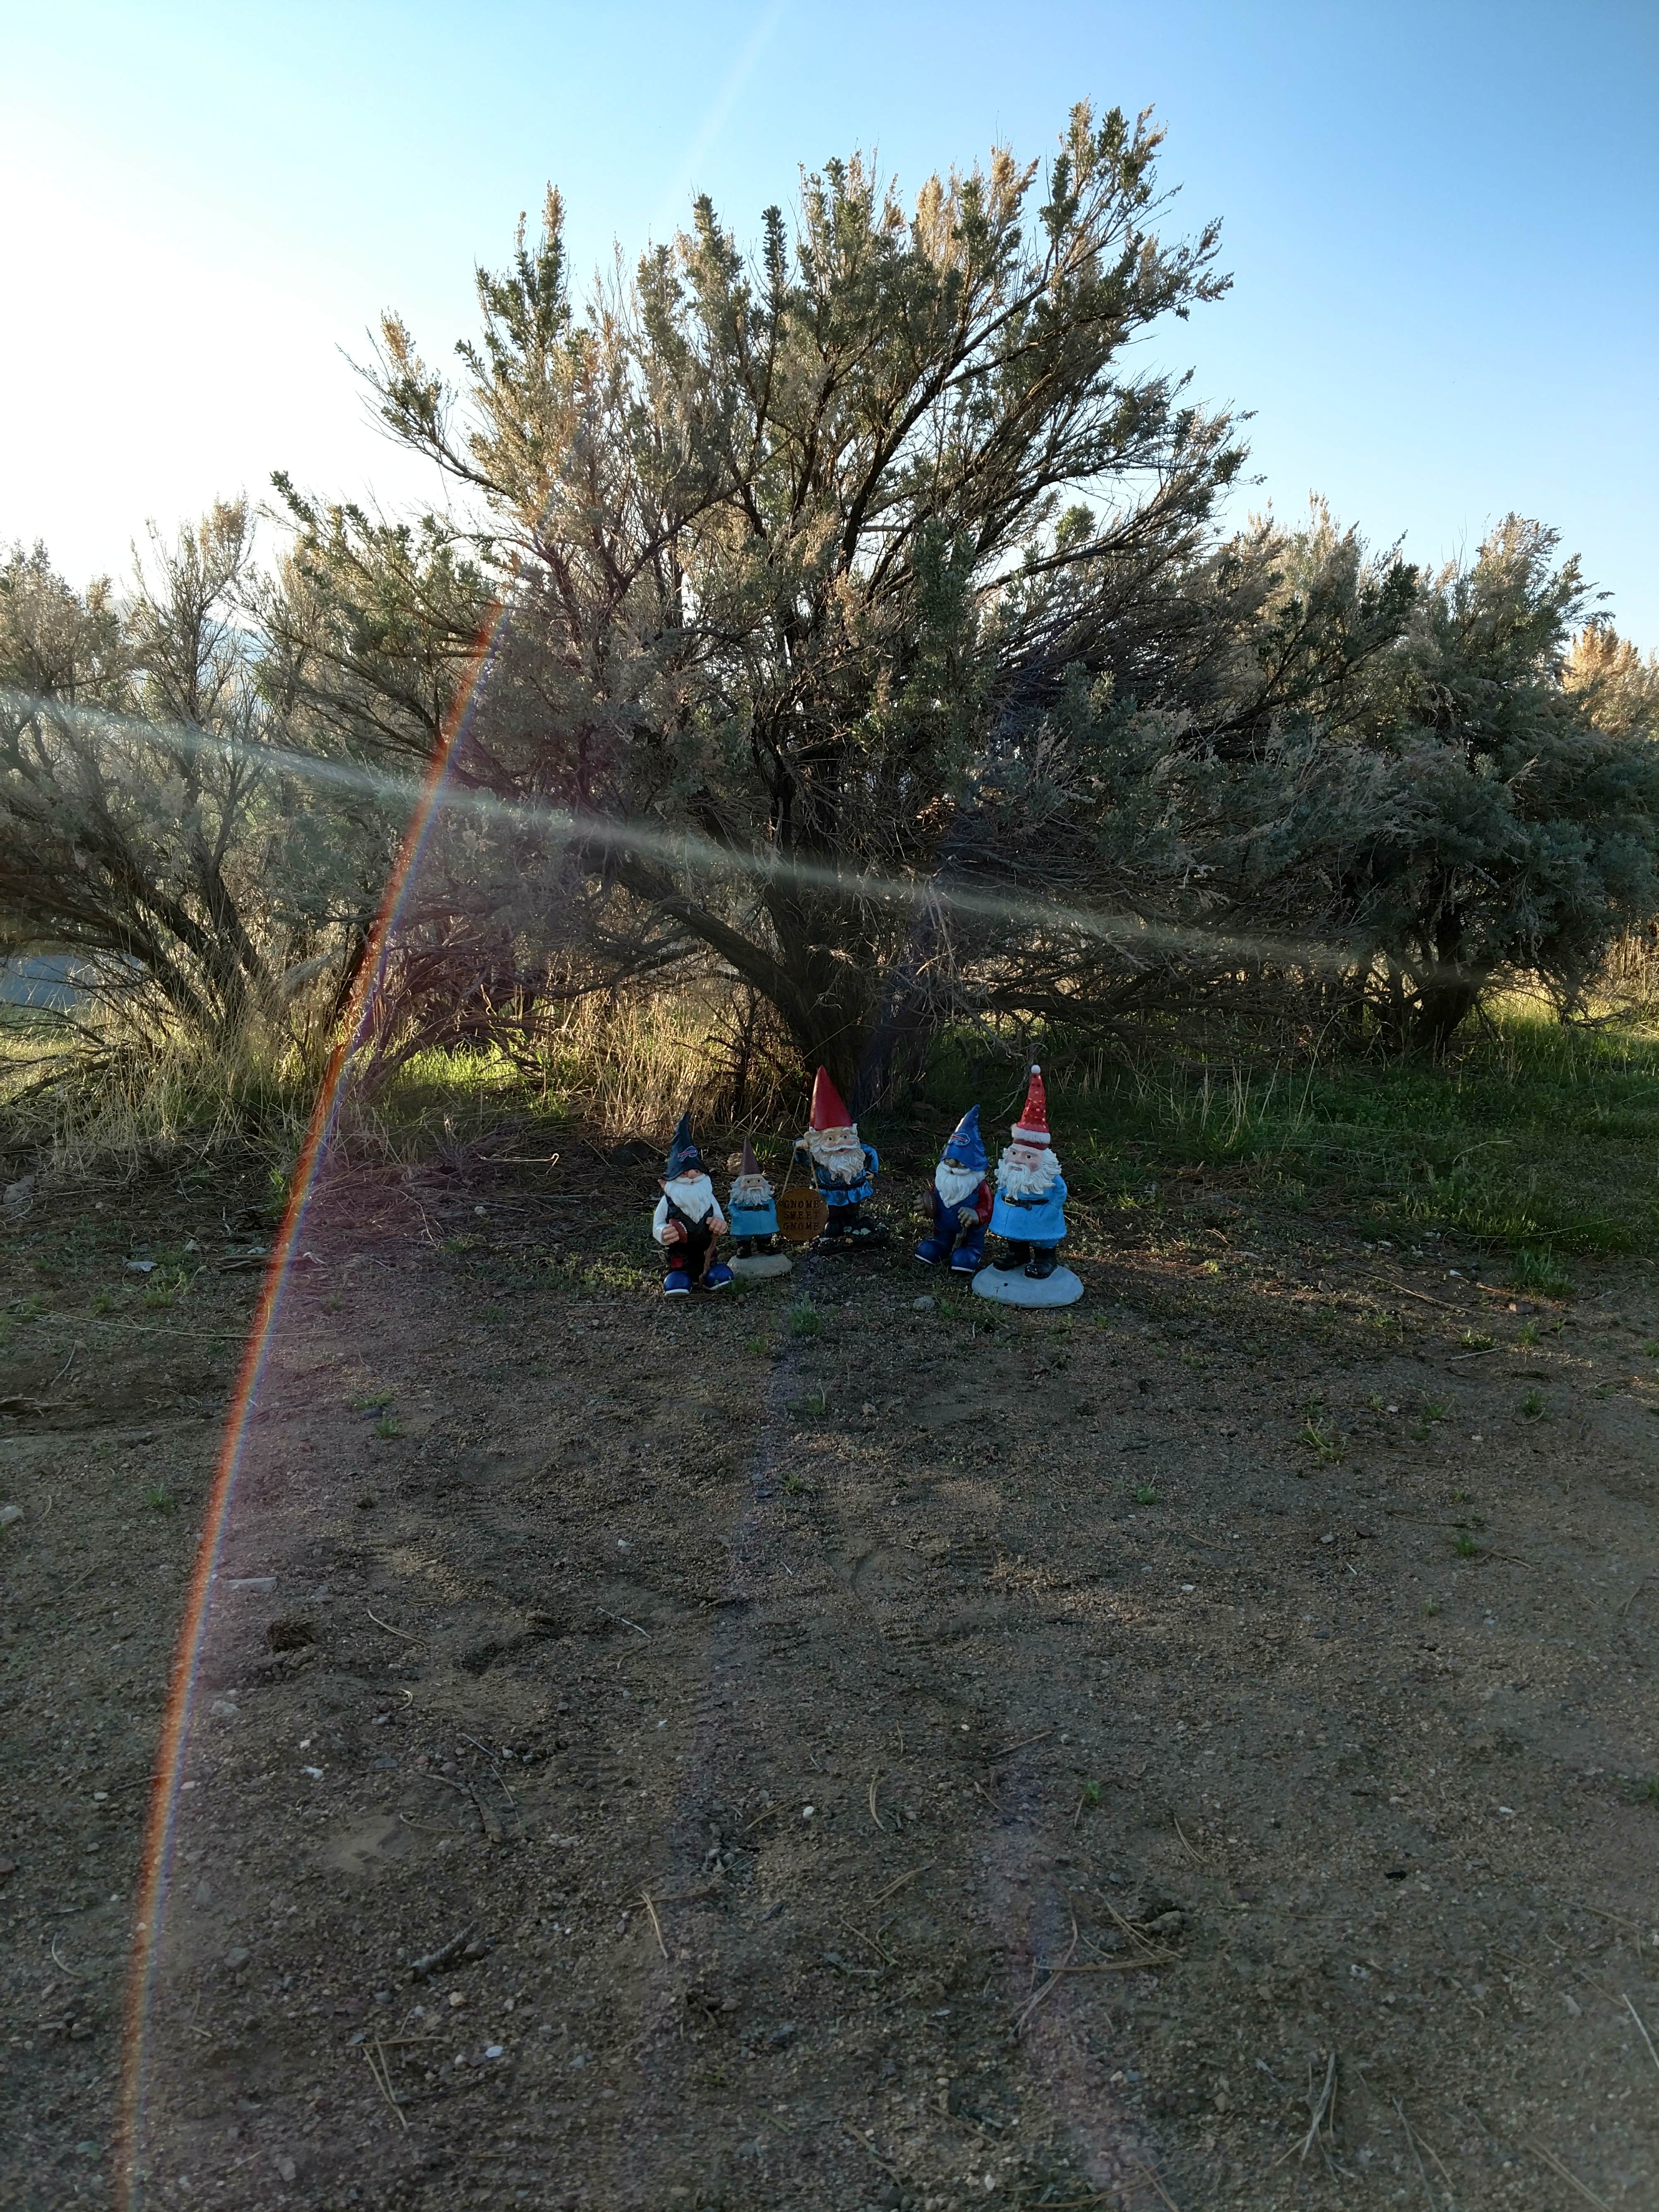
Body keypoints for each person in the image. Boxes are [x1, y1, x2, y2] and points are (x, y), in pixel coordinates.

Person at [986, 1065, 1068, 1280]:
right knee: (1015, 1238)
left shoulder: (1047, 1174)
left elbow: (1060, 1191)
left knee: (1043, 1240)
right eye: (1015, 1153)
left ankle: (1045, 1259)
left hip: (1041, 1216)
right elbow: (1001, 1185)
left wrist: (1051, 1209)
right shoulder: (1008, 1170)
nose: (1019, 1160)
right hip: (1013, 1216)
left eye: (1029, 1157)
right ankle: (1017, 1254)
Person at [793, 1067, 884, 1247]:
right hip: (828, 1193)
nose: (840, 1143)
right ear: (818, 1141)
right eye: (830, 1139)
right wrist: (800, 1148)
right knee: (831, 1213)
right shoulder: (820, 1157)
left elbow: (871, 1153)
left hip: (854, 1190)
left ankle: (852, 1222)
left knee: (852, 1209)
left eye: (845, 1137)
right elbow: (803, 1160)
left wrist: (873, 1171)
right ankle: (832, 1225)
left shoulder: (857, 1151)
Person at [651, 1112, 733, 1295]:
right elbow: (657, 1225)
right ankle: (679, 1278)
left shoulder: (707, 1198)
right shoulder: (669, 1201)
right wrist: (663, 1233)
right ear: (666, 1183)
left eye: (696, 1171)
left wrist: (720, 1224)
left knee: (712, 1264)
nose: (691, 1177)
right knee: (679, 1269)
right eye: (683, 1174)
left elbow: (719, 1216)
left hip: (706, 1249)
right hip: (680, 1251)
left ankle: (711, 1275)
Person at [916, 1103, 991, 1272]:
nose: (952, 1167)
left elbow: (988, 1208)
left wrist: (977, 1214)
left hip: (970, 1232)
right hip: (943, 1227)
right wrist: (927, 1206)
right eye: (950, 1161)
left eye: (961, 1164)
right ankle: (941, 1245)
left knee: (965, 1254)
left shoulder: (978, 1185)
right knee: (932, 1247)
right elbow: (935, 1197)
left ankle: (971, 1250)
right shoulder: (943, 1179)